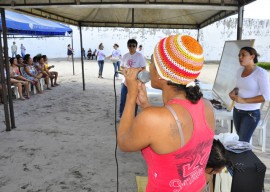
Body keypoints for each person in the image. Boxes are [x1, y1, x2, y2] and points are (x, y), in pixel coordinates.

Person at [117, 34, 215, 192]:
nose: (149, 67)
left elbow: (123, 141)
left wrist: (130, 96)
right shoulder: (207, 106)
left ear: (162, 73)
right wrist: (145, 105)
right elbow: (170, 134)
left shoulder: (154, 119)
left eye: (152, 63)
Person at [229, 46, 270, 142]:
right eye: (239, 55)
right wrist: (234, 92)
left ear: (252, 56)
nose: (240, 57)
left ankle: (245, 157)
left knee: (243, 142)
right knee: (241, 140)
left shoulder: (260, 73)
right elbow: (238, 87)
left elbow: (266, 96)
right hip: (237, 111)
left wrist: (244, 100)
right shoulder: (239, 71)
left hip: (251, 113)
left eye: (243, 55)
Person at [119, 39, 146, 119]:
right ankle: (121, 116)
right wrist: (125, 72)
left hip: (135, 82)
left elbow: (144, 68)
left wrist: (137, 73)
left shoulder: (139, 56)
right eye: (130, 45)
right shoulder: (125, 56)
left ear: (136, 46)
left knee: (134, 101)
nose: (132, 47)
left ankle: (132, 117)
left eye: (133, 46)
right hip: (125, 82)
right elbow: (122, 66)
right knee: (123, 100)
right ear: (127, 46)